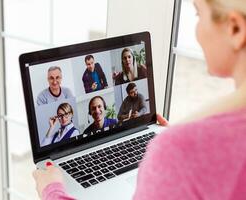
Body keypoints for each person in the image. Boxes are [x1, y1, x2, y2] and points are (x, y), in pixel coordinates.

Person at [33, 0, 246, 199]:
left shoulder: (175, 151)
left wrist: (52, 191)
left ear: (235, 29)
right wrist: (185, 149)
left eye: (199, 15)